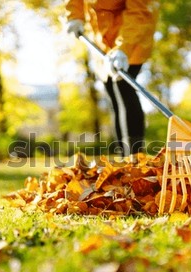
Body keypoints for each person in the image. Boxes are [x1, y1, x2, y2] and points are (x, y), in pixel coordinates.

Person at [65, 0, 159, 157]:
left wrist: (123, 49)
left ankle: (134, 158)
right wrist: (75, 15)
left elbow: (138, 13)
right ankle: (125, 158)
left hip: (132, 36)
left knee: (123, 88)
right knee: (113, 94)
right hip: (102, 39)